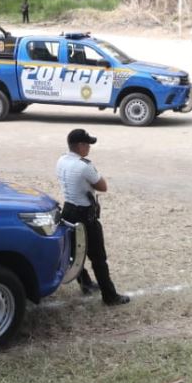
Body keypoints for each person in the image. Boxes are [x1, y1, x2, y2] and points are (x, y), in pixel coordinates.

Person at [56, 129, 129, 306]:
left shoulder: (61, 160)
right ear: (80, 146)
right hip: (84, 214)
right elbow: (103, 186)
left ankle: (85, 283)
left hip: (68, 210)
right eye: (87, 144)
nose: (89, 147)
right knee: (98, 257)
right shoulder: (84, 166)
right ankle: (109, 295)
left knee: (74, 252)